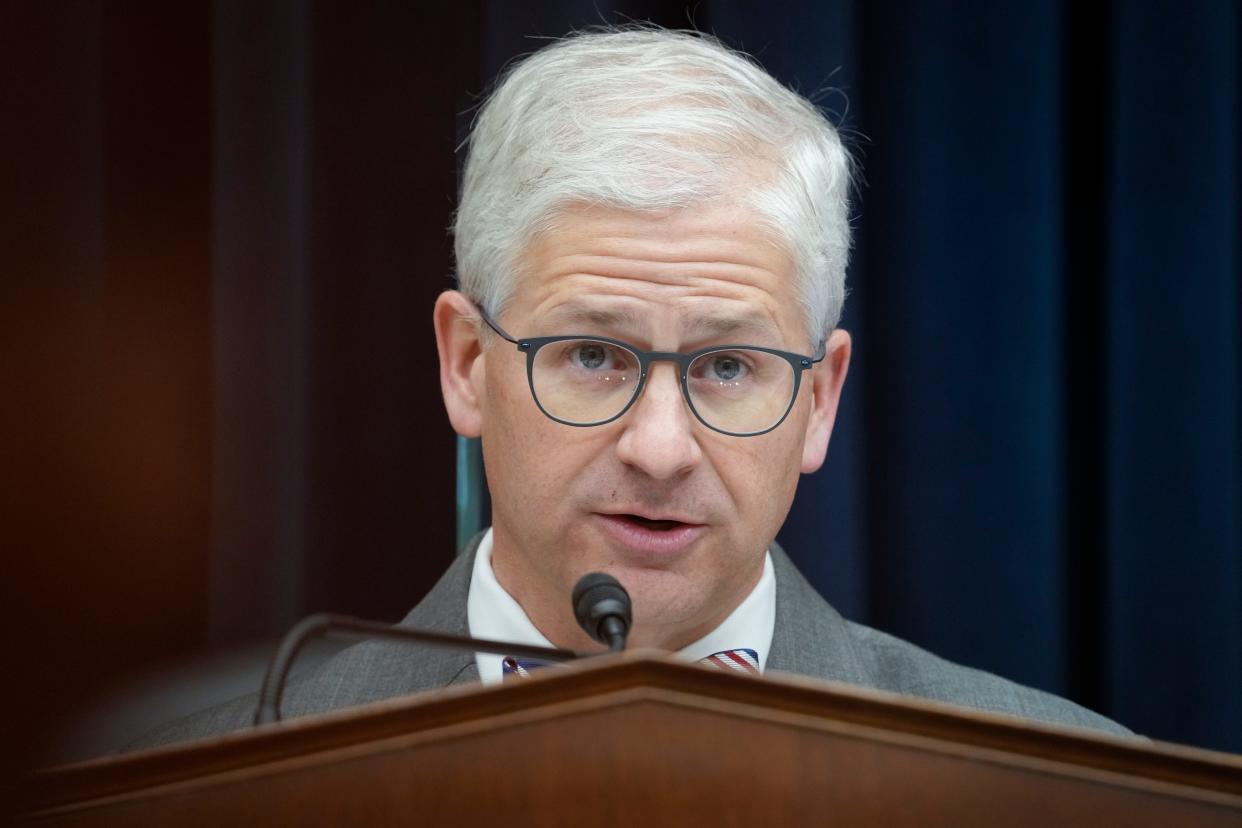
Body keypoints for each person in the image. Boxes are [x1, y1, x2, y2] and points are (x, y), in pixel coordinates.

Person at [137, 27, 1127, 748]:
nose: (660, 449)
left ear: (820, 399)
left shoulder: (1071, 791)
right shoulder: (179, 790)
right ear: (468, 365)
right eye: (594, 356)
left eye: (728, 366)